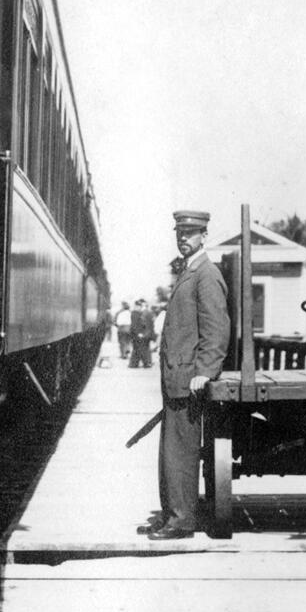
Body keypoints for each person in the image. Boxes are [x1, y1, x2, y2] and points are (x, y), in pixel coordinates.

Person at [139, 209, 230, 540]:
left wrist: (204, 371)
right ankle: (170, 516)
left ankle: (181, 521)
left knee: (181, 452)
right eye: (179, 233)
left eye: (190, 233)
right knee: (171, 451)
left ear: (204, 235)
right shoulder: (190, 271)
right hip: (176, 377)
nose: (183, 238)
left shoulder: (206, 275)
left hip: (188, 378)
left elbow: (216, 329)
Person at [127, 299, 155, 368]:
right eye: (139, 306)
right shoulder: (135, 313)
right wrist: (138, 333)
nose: (140, 307)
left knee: (138, 349)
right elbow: (135, 325)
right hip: (138, 334)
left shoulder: (139, 313)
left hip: (140, 334)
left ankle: (135, 364)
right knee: (141, 349)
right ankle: (144, 363)